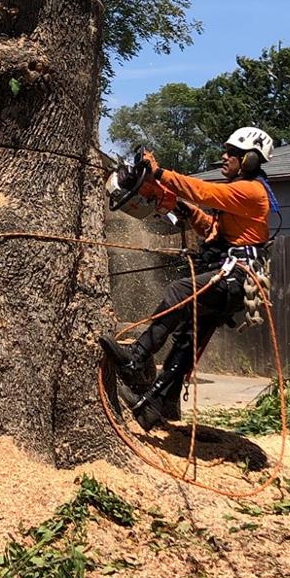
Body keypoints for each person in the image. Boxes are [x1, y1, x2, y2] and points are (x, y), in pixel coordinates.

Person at [100, 126, 279, 431]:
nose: (224, 157)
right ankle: (159, 404)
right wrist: (180, 207)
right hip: (232, 278)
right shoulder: (239, 195)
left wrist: (160, 174)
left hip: (237, 276)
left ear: (249, 160)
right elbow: (211, 228)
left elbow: (204, 191)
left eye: (232, 153)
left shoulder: (251, 191)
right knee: (188, 339)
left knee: (180, 290)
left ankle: (136, 357)